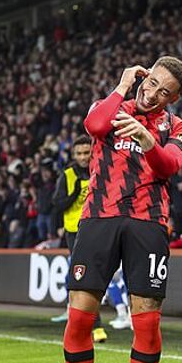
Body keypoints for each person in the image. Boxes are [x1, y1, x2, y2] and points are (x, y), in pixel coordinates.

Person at [54, 57, 182, 363]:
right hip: (99, 217)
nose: (154, 93)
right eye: (152, 83)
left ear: (174, 98)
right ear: (143, 77)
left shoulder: (178, 127)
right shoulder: (114, 107)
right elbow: (94, 126)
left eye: (165, 92)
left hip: (148, 223)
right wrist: (122, 85)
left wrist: (148, 140)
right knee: (80, 316)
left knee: (146, 319)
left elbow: (169, 165)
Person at [50, 136, 109, 341]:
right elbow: (57, 204)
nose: (83, 157)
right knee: (84, 277)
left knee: (93, 276)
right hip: (75, 232)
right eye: (79, 153)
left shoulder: (100, 169)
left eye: (86, 153)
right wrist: (74, 194)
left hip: (97, 228)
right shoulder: (67, 175)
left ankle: (83, 318)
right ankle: (95, 325)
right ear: (74, 155)